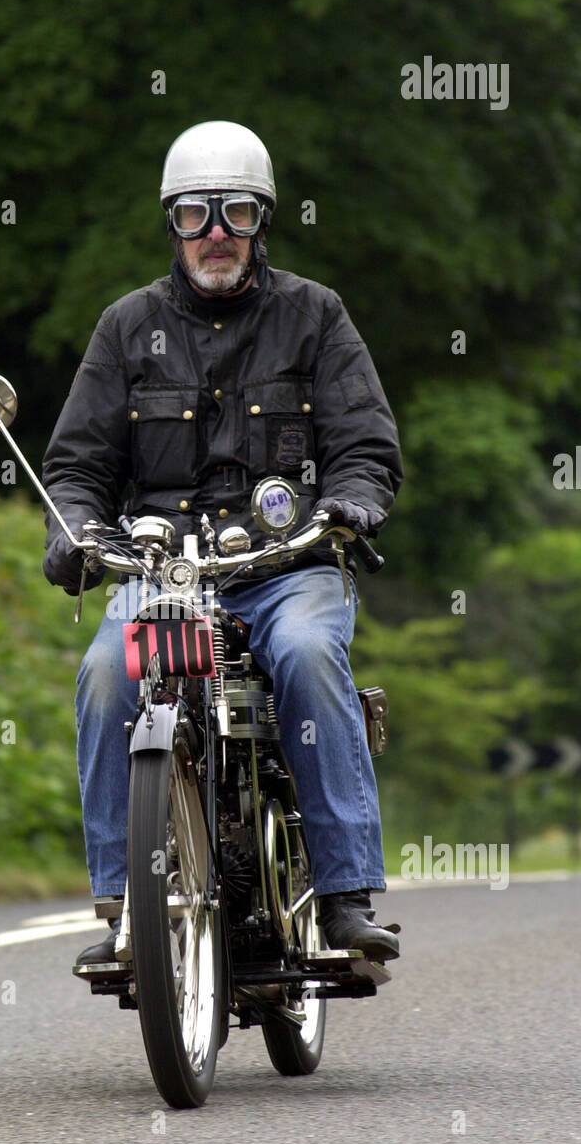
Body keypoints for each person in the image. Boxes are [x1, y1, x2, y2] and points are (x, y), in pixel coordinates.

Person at [41, 121, 403, 968]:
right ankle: (124, 903)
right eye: (195, 214)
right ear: (172, 222)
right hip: (166, 569)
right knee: (104, 673)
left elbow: (366, 441)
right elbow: (78, 464)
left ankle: (346, 896)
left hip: (287, 565)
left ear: (261, 220)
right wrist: (73, 533)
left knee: (312, 655)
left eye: (234, 213)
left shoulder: (316, 317)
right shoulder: (125, 328)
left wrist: (350, 502)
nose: (214, 234)